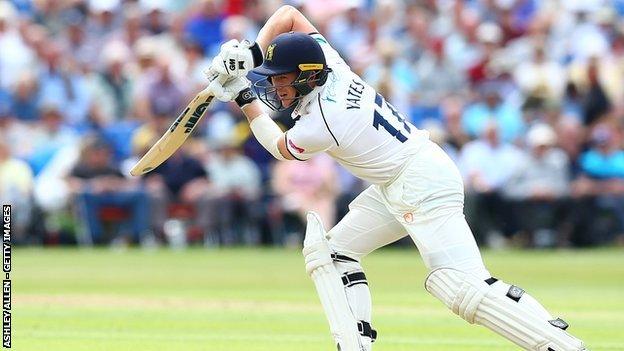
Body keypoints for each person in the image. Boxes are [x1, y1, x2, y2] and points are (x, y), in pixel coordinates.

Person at [203, 5, 588, 351]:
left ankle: (560, 345)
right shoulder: (332, 66)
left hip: (421, 184)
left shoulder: (326, 121)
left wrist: (243, 96)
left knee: (462, 285)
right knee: (329, 254)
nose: (274, 87)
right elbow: (288, 15)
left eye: (281, 80)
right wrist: (252, 54)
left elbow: (279, 147)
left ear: (307, 77)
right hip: (398, 180)